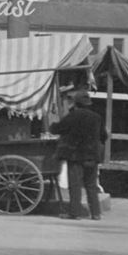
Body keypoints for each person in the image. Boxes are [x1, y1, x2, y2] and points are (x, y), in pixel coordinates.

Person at [49, 89, 107, 220]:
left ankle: (75, 213)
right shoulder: (97, 117)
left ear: (75, 103)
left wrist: (52, 125)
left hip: (75, 156)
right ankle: (96, 213)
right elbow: (104, 136)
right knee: (91, 185)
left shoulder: (73, 116)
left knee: (75, 185)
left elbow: (57, 129)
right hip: (92, 155)